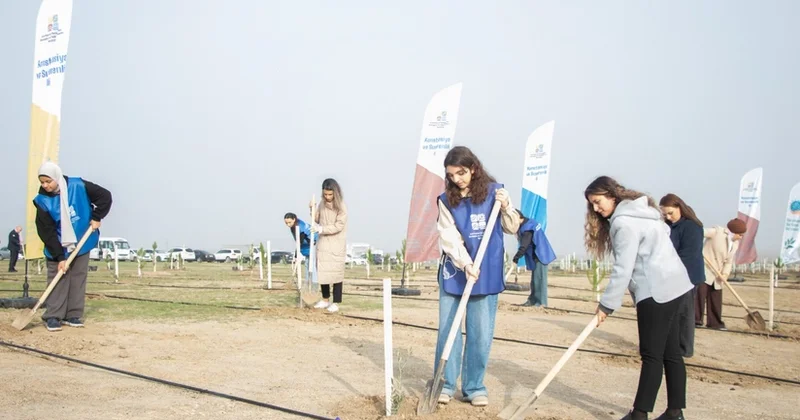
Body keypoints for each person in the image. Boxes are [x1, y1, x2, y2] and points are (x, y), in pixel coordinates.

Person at [586, 176, 693, 420]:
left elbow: (624, 267)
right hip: (677, 285)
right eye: (592, 204)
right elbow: (665, 233)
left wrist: (606, 305)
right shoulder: (646, 213)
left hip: (655, 291)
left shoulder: (623, 223)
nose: (595, 208)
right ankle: (675, 413)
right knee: (671, 353)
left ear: (612, 196)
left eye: (598, 201)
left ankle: (640, 414)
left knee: (652, 355)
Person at [434, 146, 521, 407]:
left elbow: (511, 226)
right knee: (448, 330)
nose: (457, 179)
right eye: (451, 175)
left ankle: (474, 386)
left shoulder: (496, 193)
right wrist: (465, 263)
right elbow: (448, 237)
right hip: (456, 271)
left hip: (486, 271)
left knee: (480, 332)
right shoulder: (445, 200)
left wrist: (506, 207)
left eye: (461, 172)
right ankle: (445, 384)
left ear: (473, 168)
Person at [33, 161, 112, 332]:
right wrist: (60, 257)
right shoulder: (42, 201)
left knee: (77, 278)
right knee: (58, 278)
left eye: (48, 181)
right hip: (58, 244)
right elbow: (46, 232)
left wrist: (97, 217)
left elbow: (105, 196)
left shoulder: (78, 185)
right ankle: (53, 316)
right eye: (42, 182)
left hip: (82, 240)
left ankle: (73, 315)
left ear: (56, 177)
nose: (45, 185)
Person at [659, 194, 706, 358]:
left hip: (688, 276)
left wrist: (669, 268)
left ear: (680, 207)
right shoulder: (668, 227)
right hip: (672, 276)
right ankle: (671, 345)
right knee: (673, 313)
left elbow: (689, 255)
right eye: (665, 214)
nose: (668, 217)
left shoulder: (692, 227)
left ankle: (685, 349)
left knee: (685, 314)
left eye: (671, 213)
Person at [698, 218, 746, 331]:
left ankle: (714, 322)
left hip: (718, 273)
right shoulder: (717, 232)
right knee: (700, 295)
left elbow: (729, 262)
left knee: (716, 297)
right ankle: (696, 320)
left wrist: (725, 274)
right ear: (734, 232)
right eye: (740, 234)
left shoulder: (735, 244)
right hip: (704, 268)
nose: (741, 237)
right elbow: (699, 232)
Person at [309, 178, 347, 313]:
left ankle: (336, 302)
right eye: (325, 194)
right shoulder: (322, 204)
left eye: (330, 195)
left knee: (336, 273)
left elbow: (339, 226)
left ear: (335, 193)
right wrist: (312, 209)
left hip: (336, 243)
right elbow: (317, 219)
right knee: (323, 271)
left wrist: (322, 229)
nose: (327, 197)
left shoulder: (341, 206)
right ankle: (325, 299)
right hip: (323, 242)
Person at [511, 211, 556, 307]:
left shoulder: (528, 227)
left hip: (541, 255)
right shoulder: (528, 223)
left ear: (518, 217)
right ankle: (532, 300)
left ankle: (541, 303)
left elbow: (524, 246)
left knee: (539, 279)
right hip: (535, 255)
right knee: (534, 280)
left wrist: (516, 259)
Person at [284, 212, 318, 281]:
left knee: (312, 265)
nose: (288, 225)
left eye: (289, 222)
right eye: (286, 223)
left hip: (313, 243)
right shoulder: (294, 226)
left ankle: (314, 284)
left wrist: (296, 254)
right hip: (307, 245)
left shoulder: (300, 226)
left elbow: (300, 241)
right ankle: (307, 282)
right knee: (307, 264)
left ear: (294, 219)